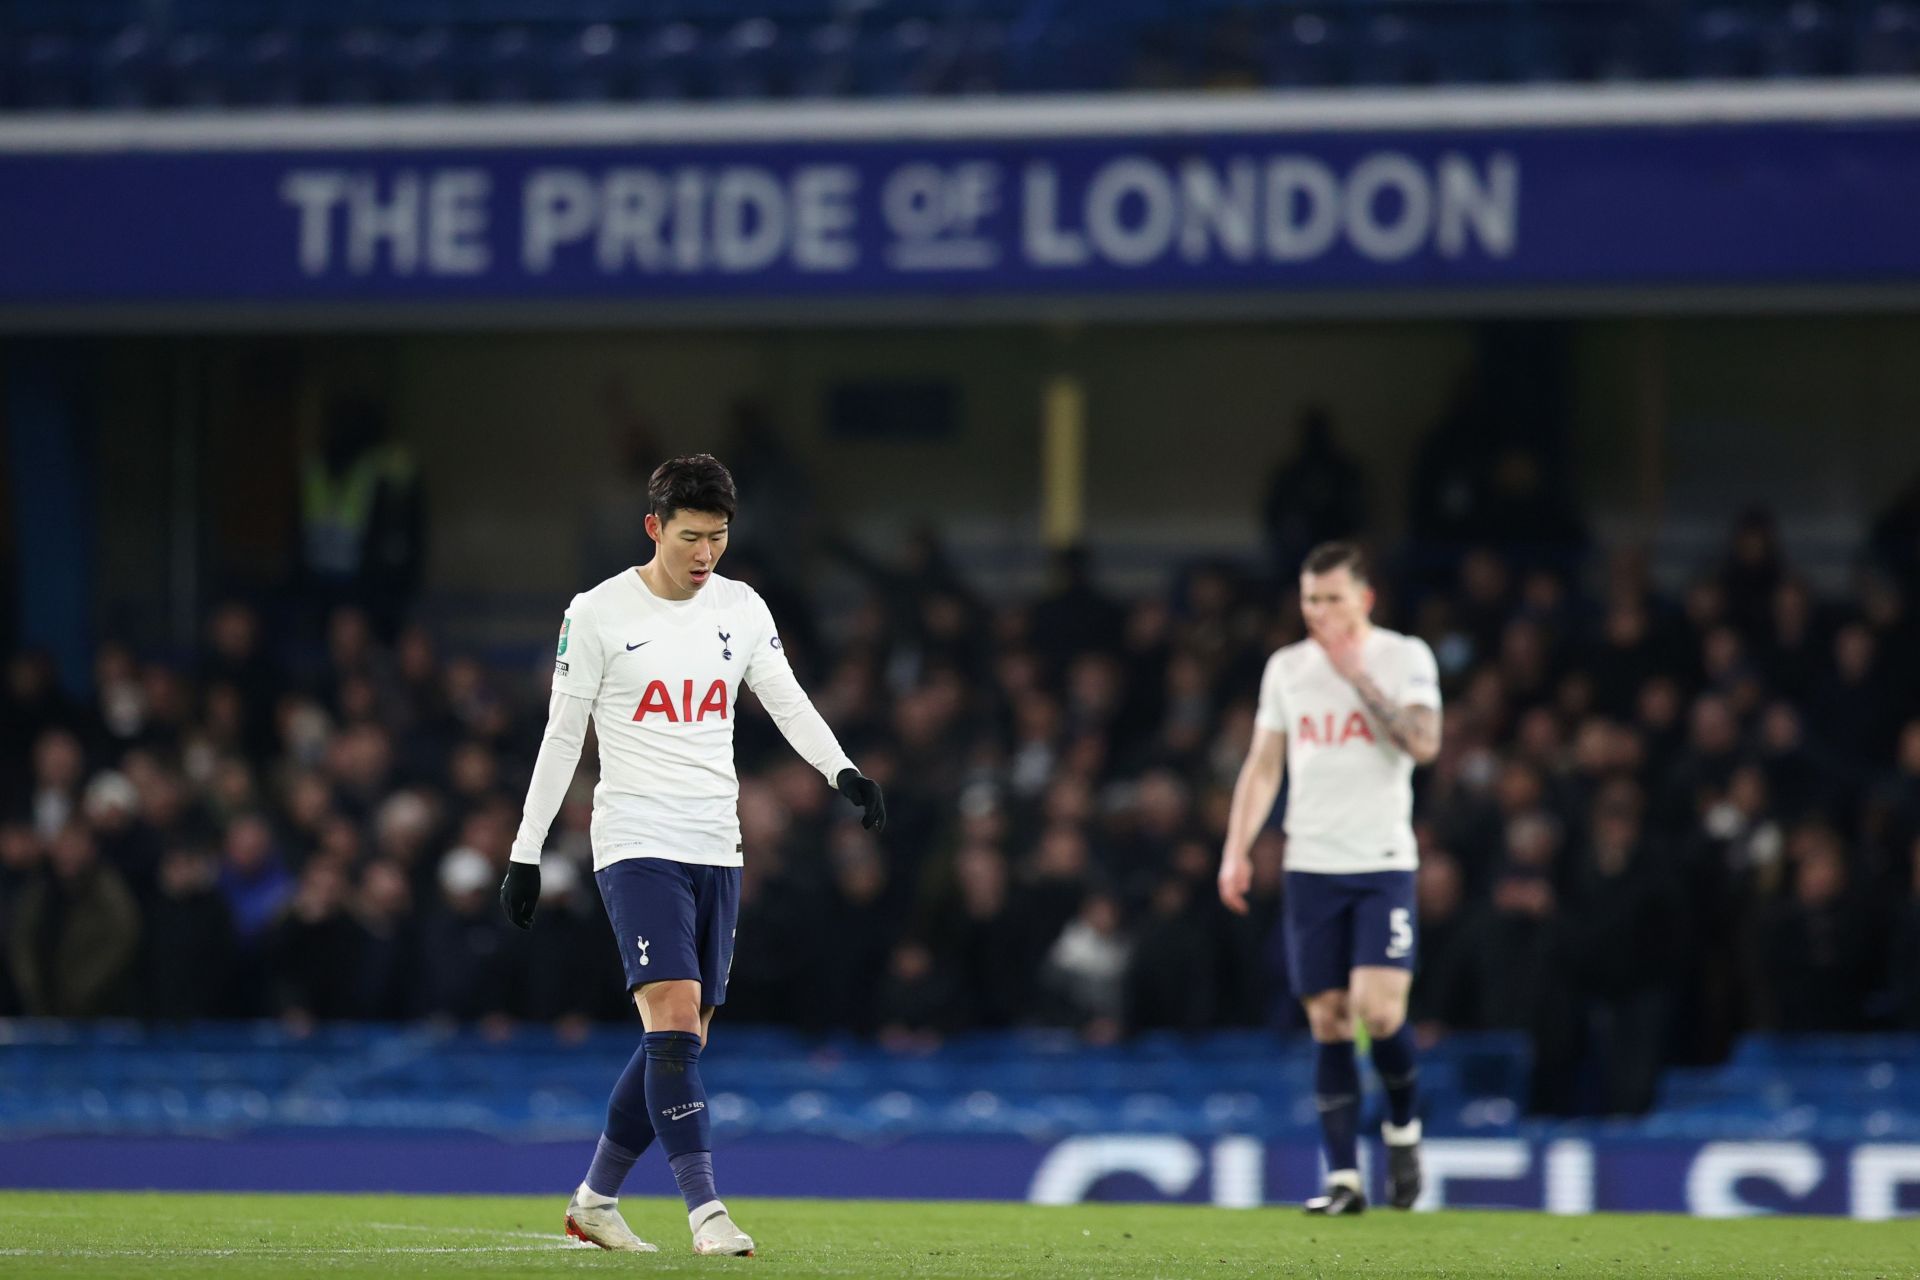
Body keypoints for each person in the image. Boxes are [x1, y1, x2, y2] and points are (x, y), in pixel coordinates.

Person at [499, 454, 885, 1256]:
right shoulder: (599, 611)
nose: (705, 553)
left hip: (718, 841)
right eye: (690, 537)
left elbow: (784, 696)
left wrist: (841, 769)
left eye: (718, 536)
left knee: (679, 1041)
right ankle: (707, 1211)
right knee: (673, 1019)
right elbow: (563, 735)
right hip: (636, 838)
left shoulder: (741, 607)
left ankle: (595, 1199)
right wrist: (526, 851)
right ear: (654, 528)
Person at [1217, 541, 1442, 1215]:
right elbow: (1263, 766)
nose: (1319, 612)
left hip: (1381, 864)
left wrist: (1358, 679)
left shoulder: (1405, 657)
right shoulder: (1287, 668)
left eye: (1333, 598)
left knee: (1381, 1012)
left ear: (1364, 599)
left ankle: (1402, 1128)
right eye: (1311, 599)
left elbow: (1424, 745)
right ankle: (1344, 1178)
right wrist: (1236, 850)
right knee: (1329, 1019)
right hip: (1311, 864)